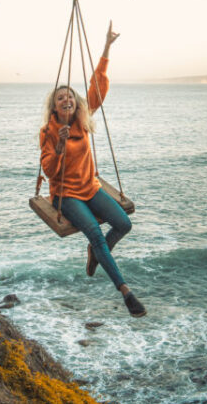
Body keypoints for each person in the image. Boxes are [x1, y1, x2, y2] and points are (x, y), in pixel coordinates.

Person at [39, 21, 146, 318]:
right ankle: (126, 291)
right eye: (61, 98)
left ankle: (94, 254)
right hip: (65, 195)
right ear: (54, 107)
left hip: (90, 188)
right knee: (97, 235)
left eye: (70, 97)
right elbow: (48, 170)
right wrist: (59, 147)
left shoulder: (82, 122)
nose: (67, 99)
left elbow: (96, 87)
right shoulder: (48, 132)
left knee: (124, 224)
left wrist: (107, 48)